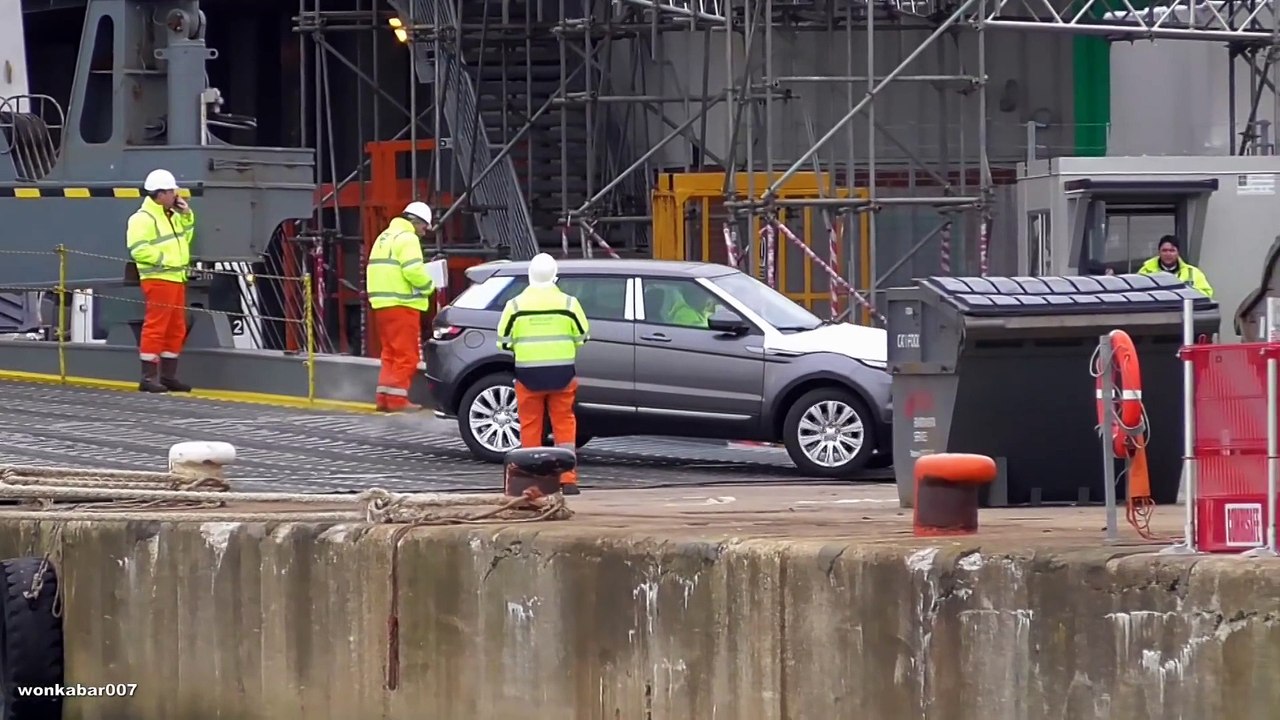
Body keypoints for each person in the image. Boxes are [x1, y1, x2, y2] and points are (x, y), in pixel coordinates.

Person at [496, 253, 590, 495]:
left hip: (528, 375)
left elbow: (504, 342)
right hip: (562, 374)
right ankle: (567, 480)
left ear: (529, 277)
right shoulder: (569, 304)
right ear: (555, 277)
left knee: (530, 426)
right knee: (564, 425)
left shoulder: (515, 305)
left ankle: (532, 480)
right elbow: (582, 336)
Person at [127, 168, 197, 394]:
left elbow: (185, 237)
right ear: (160, 194)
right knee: (156, 327)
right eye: (172, 191)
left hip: (175, 278)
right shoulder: (141, 219)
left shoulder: (171, 216)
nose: (177, 195)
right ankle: (148, 378)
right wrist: (166, 261)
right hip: (159, 278)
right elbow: (138, 250)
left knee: (176, 327)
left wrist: (187, 215)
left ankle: (167, 377)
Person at [367, 201, 437, 412]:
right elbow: (413, 270)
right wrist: (429, 286)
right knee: (407, 355)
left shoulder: (385, 236)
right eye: (424, 227)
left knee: (390, 353)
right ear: (416, 222)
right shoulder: (408, 239)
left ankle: (384, 398)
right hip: (402, 304)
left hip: (382, 305)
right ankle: (397, 401)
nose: (424, 232)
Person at [1138, 235, 1214, 298]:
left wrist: (1187, 293)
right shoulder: (1145, 272)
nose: (1168, 254)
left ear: (1178, 252)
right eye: (1164, 250)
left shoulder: (1193, 272)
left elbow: (1207, 294)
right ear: (1159, 252)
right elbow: (1137, 296)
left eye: (1172, 250)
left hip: (1185, 313)